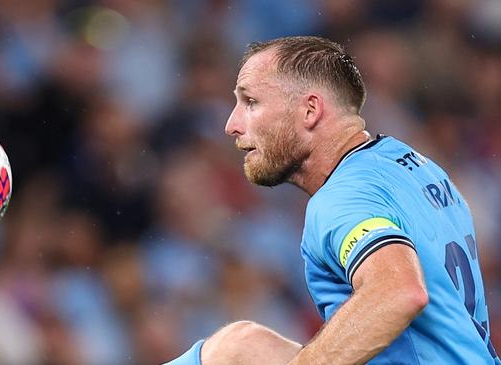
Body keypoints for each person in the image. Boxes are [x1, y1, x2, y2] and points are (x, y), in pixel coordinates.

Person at [166, 36, 500, 364]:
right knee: (241, 347)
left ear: (310, 110)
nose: (231, 125)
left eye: (250, 102)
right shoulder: (412, 164)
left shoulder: (340, 198)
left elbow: (398, 291)